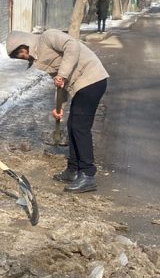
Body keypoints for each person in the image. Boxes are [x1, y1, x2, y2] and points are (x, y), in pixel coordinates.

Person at [6, 29, 108, 193]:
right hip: (82, 84)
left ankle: (88, 174)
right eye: (18, 56)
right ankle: (73, 170)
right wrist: (59, 106)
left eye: (21, 52)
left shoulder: (48, 37)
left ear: (25, 43)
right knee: (72, 126)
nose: (23, 56)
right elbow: (60, 83)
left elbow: (72, 45)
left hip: (92, 78)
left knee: (80, 127)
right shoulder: (40, 59)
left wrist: (63, 73)